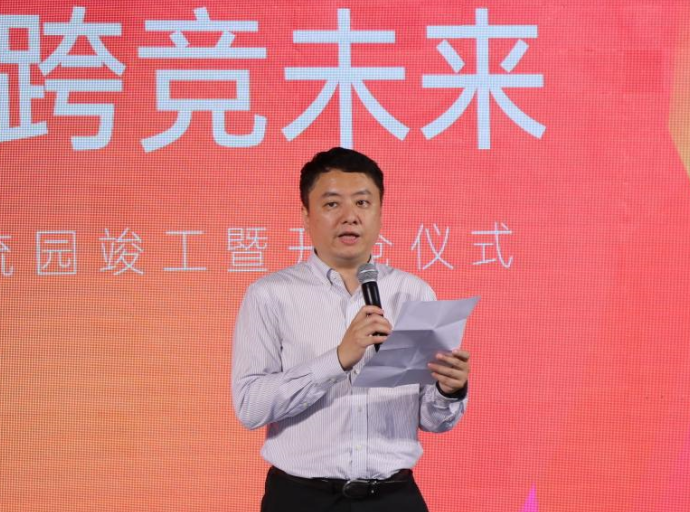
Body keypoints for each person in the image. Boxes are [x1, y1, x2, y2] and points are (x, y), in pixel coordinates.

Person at [231, 147, 470, 512]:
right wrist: (338, 360)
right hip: (301, 499)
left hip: (393, 498)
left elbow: (432, 420)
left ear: (379, 213)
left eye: (362, 203)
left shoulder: (413, 293)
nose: (350, 217)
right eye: (332, 204)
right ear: (306, 215)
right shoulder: (270, 295)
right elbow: (250, 407)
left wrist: (449, 390)